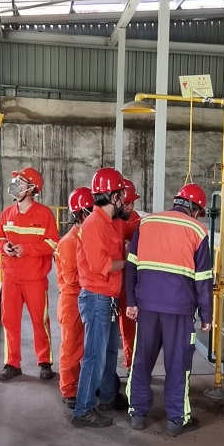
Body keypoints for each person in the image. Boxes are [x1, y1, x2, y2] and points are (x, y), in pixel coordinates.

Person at [126, 183, 213, 435]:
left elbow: (131, 266)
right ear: (195, 209)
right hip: (180, 310)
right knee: (178, 364)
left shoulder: (146, 222)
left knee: (142, 360)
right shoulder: (197, 229)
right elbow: (203, 278)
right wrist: (206, 315)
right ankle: (176, 419)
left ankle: (137, 413)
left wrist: (132, 301)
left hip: (147, 306)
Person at [72, 167, 127, 428]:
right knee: (95, 356)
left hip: (108, 298)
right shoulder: (94, 224)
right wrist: (127, 262)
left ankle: (107, 397)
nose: (124, 200)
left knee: (109, 352)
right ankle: (83, 410)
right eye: (122, 195)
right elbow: (100, 264)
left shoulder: (111, 222)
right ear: (113, 196)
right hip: (97, 298)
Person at [0, 166, 59, 381]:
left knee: (39, 321)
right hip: (10, 277)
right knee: (9, 321)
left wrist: (27, 250)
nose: (15, 184)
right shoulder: (7, 213)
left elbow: (53, 243)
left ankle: (45, 362)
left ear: (31, 189)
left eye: (20, 181)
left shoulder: (44, 214)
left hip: (34, 278)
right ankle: (12, 364)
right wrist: (4, 247)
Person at [55, 187, 93, 409]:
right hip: (72, 301)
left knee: (83, 347)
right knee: (71, 347)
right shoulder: (70, 241)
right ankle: (69, 390)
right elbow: (71, 278)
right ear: (82, 213)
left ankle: (81, 384)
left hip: (84, 297)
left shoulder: (85, 237)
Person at [119, 178, 141, 372]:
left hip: (128, 279)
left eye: (132, 202)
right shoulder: (105, 220)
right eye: (127, 202)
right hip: (106, 281)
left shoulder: (135, 219)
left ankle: (130, 363)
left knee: (129, 325)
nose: (130, 206)